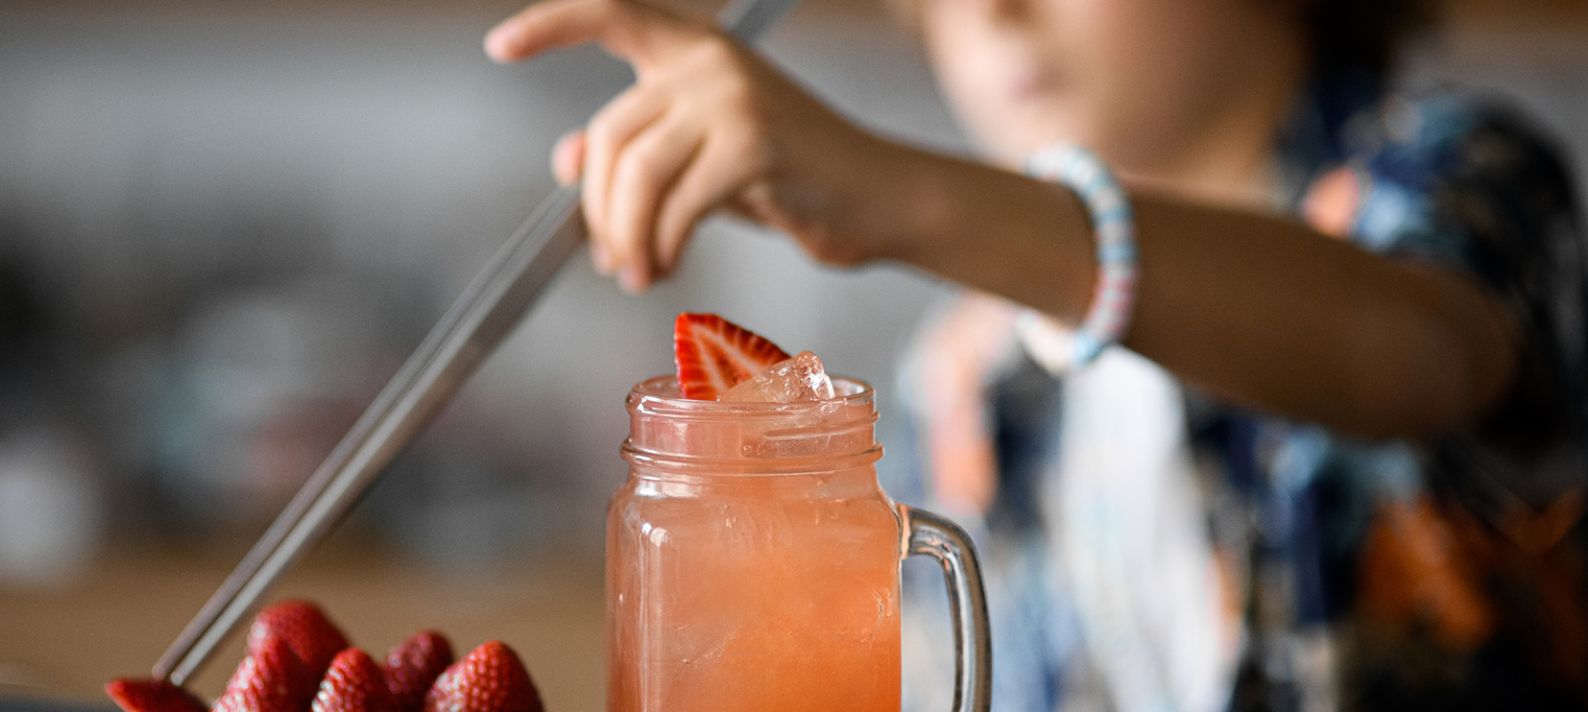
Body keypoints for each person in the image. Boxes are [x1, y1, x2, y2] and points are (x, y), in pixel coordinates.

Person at [484, 0, 1588, 709]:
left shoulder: (1461, 181)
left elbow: (1407, 351)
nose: (996, 13)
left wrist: (897, 192)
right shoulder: (958, 384)